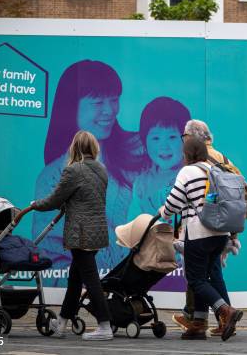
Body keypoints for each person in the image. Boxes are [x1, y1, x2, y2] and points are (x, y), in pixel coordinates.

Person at [32, 60, 144, 286]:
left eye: (114, 100)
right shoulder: (53, 175)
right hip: (92, 264)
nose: (110, 110)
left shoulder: (139, 147)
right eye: (97, 101)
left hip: (133, 271)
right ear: (71, 106)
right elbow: (51, 254)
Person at [173, 119, 247, 337]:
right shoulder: (223, 158)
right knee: (209, 272)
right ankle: (204, 320)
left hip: (204, 226)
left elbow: (185, 198)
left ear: (192, 137)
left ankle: (222, 315)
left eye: (184, 137)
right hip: (222, 225)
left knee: (202, 275)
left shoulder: (202, 160)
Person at [31, 130, 113, 341]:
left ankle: (105, 326)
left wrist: (35, 205)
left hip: (81, 234)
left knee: (91, 280)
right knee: (75, 280)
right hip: (96, 234)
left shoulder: (73, 170)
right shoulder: (102, 170)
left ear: (74, 147)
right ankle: (61, 323)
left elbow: (54, 200)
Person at [158, 138, 242, 341]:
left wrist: (164, 211)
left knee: (196, 280)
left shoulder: (187, 171)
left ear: (187, 154)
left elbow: (174, 203)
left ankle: (225, 311)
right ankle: (198, 324)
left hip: (199, 234)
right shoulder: (214, 169)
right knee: (206, 277)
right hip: (220, 235)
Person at [130, 97, 191, 216]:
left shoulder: (189, 177)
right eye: (156, 138)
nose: (164, 146)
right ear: (145, 143)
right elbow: (133, 222)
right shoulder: (141, 183)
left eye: (172, 137)